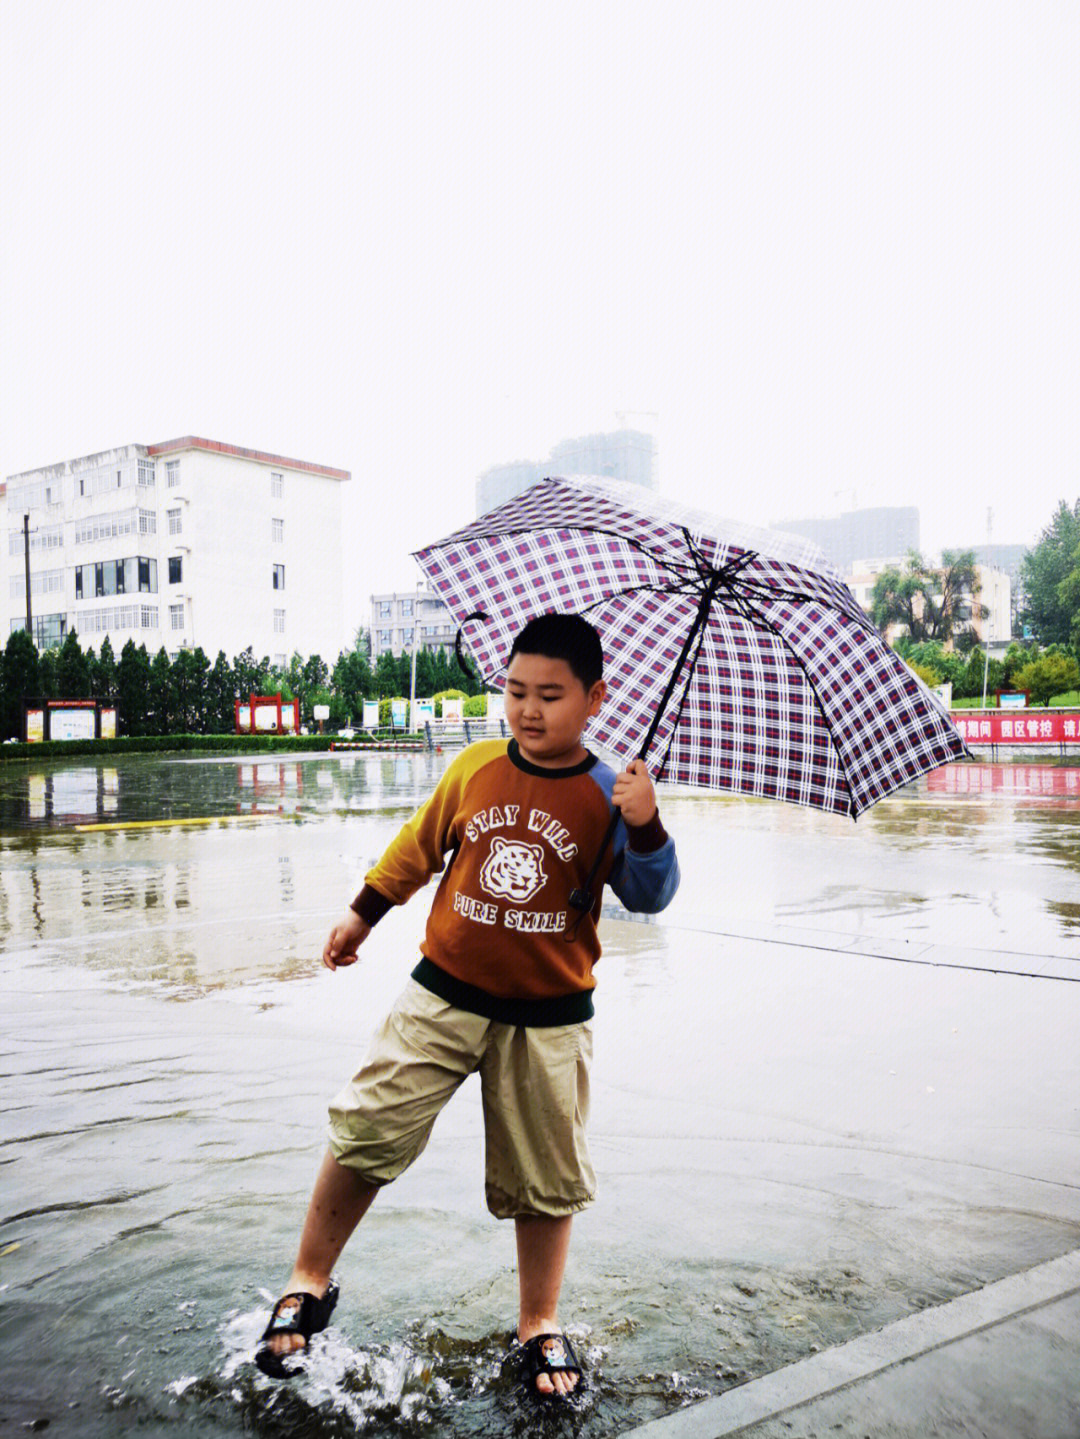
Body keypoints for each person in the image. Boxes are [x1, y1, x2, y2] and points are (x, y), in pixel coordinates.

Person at [255, 613, 680, 1399]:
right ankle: (308, 1278)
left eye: (550, 695)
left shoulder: (607, 792)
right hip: (442, 992)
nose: (527, 709)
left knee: (546, 1177)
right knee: (368, 1124)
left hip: (549, 1017)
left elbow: (650, 894)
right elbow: (418, 847)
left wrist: (644, 822)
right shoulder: (476, 767)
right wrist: (362, 911)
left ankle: (538, 1324)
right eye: (516, 690)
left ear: (595, 698)